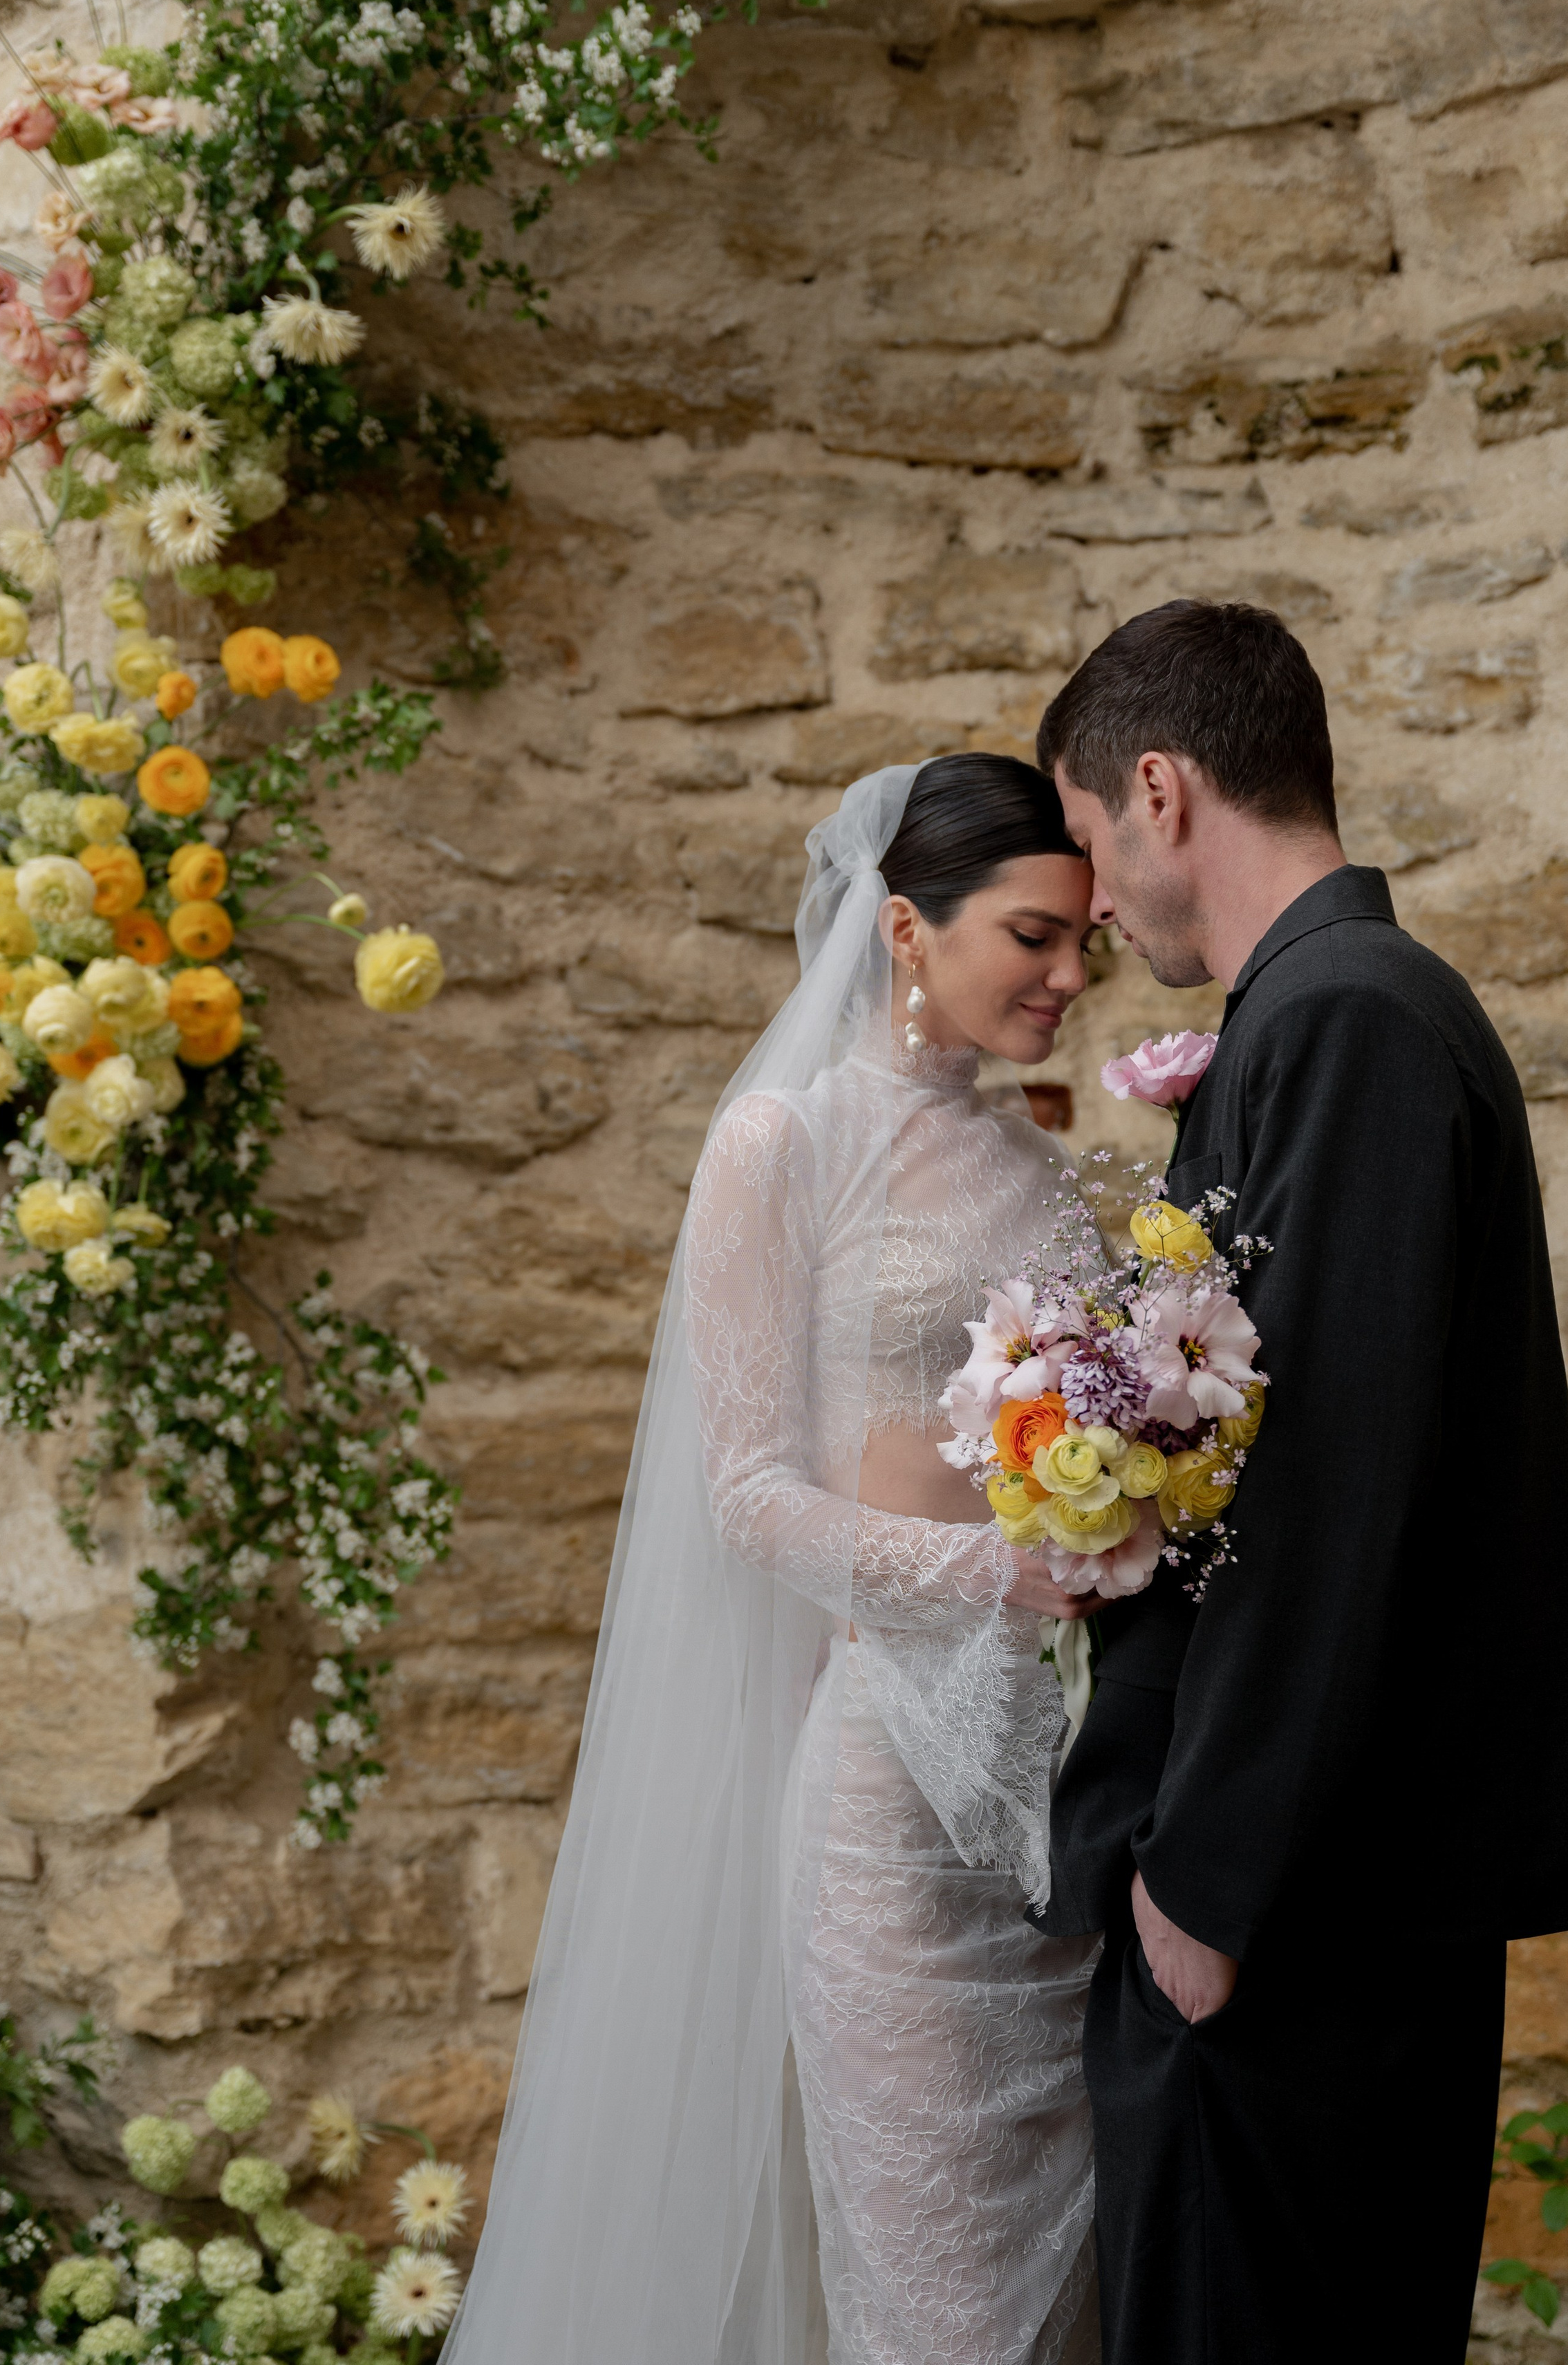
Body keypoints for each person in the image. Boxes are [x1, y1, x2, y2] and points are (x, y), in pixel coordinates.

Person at [442, 754, 1106, 2365]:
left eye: (1082, 941)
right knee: (939, 2297)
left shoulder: (1044, 1170)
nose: (1069, 977)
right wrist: (997, 1577)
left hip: (1063, 1783)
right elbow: (746, 1494)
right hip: (888, 1795)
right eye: (1031, 936)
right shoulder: (779, 1145)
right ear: (903, 926)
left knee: (1072, 2284)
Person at [1033, 597, 1568, 2364]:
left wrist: (1207, 1883)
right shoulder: (1321, 1009)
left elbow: (1331, 1488)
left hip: (1296, 1913)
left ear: (1160, 791)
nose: (1092, 902)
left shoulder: (1348, 1019)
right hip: (1300, 1896)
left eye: (1087, 840)